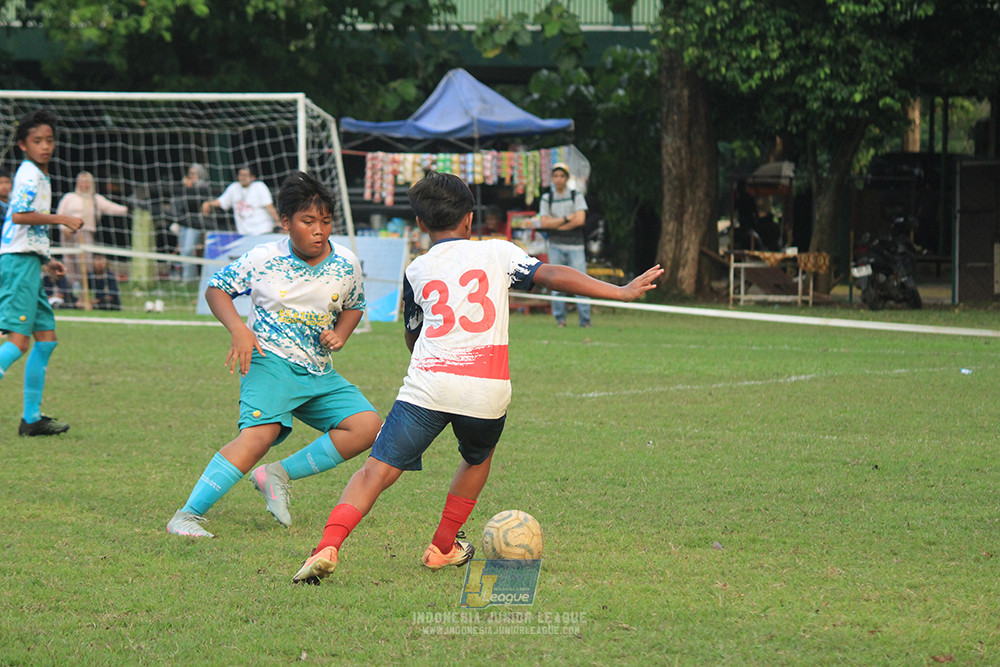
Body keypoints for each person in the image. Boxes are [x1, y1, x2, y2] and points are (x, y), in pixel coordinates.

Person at [291, 172, 662, 584]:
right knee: (476, 458)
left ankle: (328, 545)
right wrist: (621, 290)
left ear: (420, 225)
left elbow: (413, 335)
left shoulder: (417, 270)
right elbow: (553, 275)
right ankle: (442, 546)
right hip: (486, 390)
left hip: (427, 387)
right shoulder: (498, 253)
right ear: (470, 220)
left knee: (375, 472)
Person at [166, 171, 381, 538]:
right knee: (259, 436)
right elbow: (217, 288)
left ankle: (277, 474)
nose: (319, 230)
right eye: (308, 221)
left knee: (367, 427)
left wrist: (341, 334)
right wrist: (239, 330)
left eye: (326, 222)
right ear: (285, 222)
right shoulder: (264, 257)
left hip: (317, 370)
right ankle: (186, 516)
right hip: (269, 360)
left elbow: (355, 304)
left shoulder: (346, 263)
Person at [0, 109, 84, 436]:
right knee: (18, 342)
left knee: (46, 340)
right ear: (23, 145)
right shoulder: (28, 174)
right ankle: (31, 418)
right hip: (18, 264)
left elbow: (23, 228)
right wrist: (62, 220)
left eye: (49, 140)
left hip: (29, 262)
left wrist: (46, 261)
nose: (44, 146)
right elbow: (20, 216)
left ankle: (31, 419)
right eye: (37, 141)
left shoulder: (40, 175)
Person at [55, 171, 129, 308]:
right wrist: (63, 227)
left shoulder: (95, 199)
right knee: (69, 265)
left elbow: (111, 208)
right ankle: (71, 296)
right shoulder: (69, 197)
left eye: (86, 181)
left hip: (86, 234)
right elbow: (60, 213)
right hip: (68, 234)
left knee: (85, 266)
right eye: (81, 181)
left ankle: (84, 297)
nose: (84, 184)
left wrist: (128, 208)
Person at [538, 162, 591, 327]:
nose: (558, 179)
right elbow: (544, 223)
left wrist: (558, 225)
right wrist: (568, 219)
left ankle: (585, 320)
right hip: (555, 245)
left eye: (562, 176)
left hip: (576, 246)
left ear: (567, 178)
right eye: (555, 176)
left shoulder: (576, 195)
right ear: (552, 178)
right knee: (556, 283)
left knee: (582, 283)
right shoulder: (548, 198)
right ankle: (560, 319)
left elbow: (580, 219)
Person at [201, 165, 279, 237]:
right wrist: (208, 203)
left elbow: (269, 206)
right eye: (241, 175)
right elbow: (222, 202)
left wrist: (278, 221)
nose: (243, 177)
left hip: (263, 230)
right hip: (244, 233)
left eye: (245, 175)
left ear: (252, 177)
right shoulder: (234, 187)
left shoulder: (259, 186)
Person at [167, 163, 212, 282]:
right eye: (190, 173)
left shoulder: (204, 187)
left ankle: (189, 279)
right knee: (182, 250)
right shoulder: (184, 187)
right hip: (183, 221)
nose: (190, 175)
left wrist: (190, 188)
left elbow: (196, 204)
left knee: (188, 249)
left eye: (193, 173)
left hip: (196, 222)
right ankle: (185, 277)